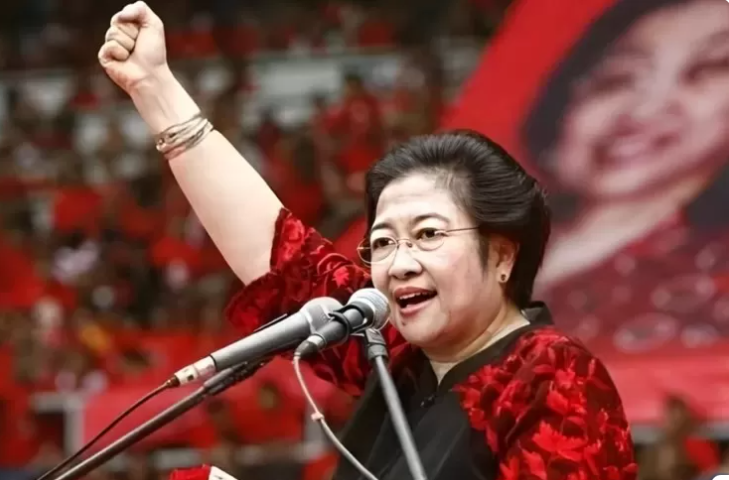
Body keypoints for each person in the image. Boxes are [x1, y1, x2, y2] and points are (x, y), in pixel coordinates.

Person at [98, 3, 637, 479]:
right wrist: (155, 88)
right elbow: (281, 259)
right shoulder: (399, 357)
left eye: (427, 235)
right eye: (382, 242)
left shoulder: (550, 374)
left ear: (501, 254)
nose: (399, 264)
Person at [521, 0, 729, 352]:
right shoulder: (476, 240)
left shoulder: (709, 289)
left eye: (709, 69)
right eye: (617, 79)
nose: (644, 109)